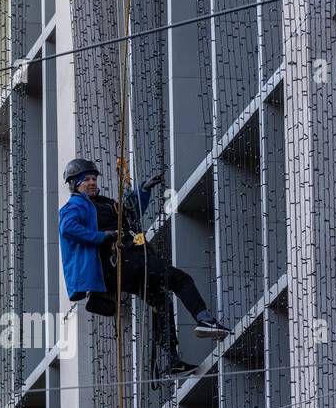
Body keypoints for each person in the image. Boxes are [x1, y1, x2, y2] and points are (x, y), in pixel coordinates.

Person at [58, 157, 229, 376]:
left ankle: (172, 359)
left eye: (93, 178)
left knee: (161, 301)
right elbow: (68, 228)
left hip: (124, 268)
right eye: (85, 180)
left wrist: (144, 190)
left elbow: (129, 213)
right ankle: (206, 320)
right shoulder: (76, 205)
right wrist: (102, 237)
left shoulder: (105, 204)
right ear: (75, 184)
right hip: (125, 261)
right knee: (179, 279)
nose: (91, 182)